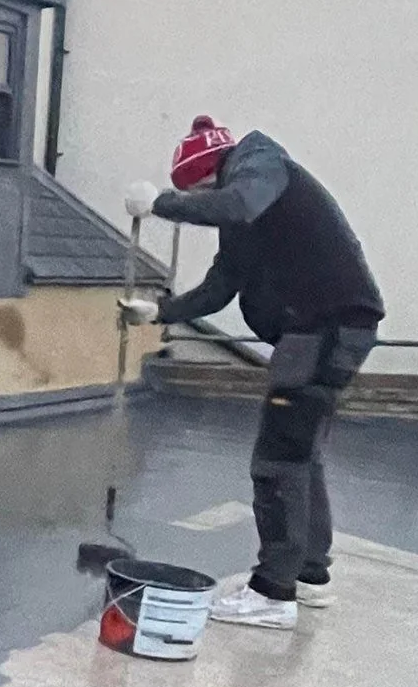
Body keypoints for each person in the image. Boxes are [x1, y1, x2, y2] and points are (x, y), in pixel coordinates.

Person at [138, 116, 386, 631]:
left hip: (324, 330)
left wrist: (162, 204)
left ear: (211, 174)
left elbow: (236, 203)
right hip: (326, 331)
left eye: (200, 191)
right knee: (300, 453)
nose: (205, 201)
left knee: (277, 461)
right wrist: (158, 312)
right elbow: (220, 287)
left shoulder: (260, 165)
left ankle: (273, 592)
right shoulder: (247, 215)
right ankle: (311, 575)